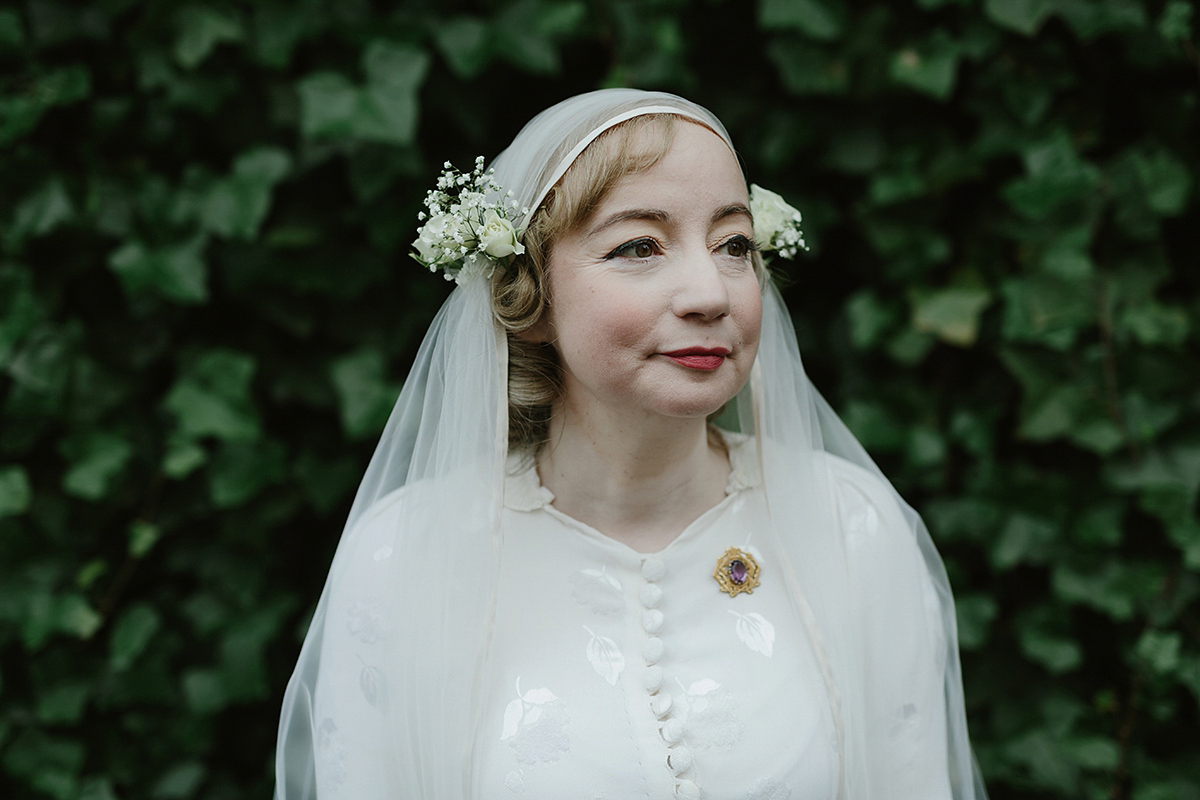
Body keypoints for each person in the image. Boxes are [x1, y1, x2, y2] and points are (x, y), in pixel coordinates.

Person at [274, 89, 988, 800]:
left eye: (734, 244)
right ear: (527, 296)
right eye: (639, 246)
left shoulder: (848, 525)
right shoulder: (408, 554)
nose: (710, 292)